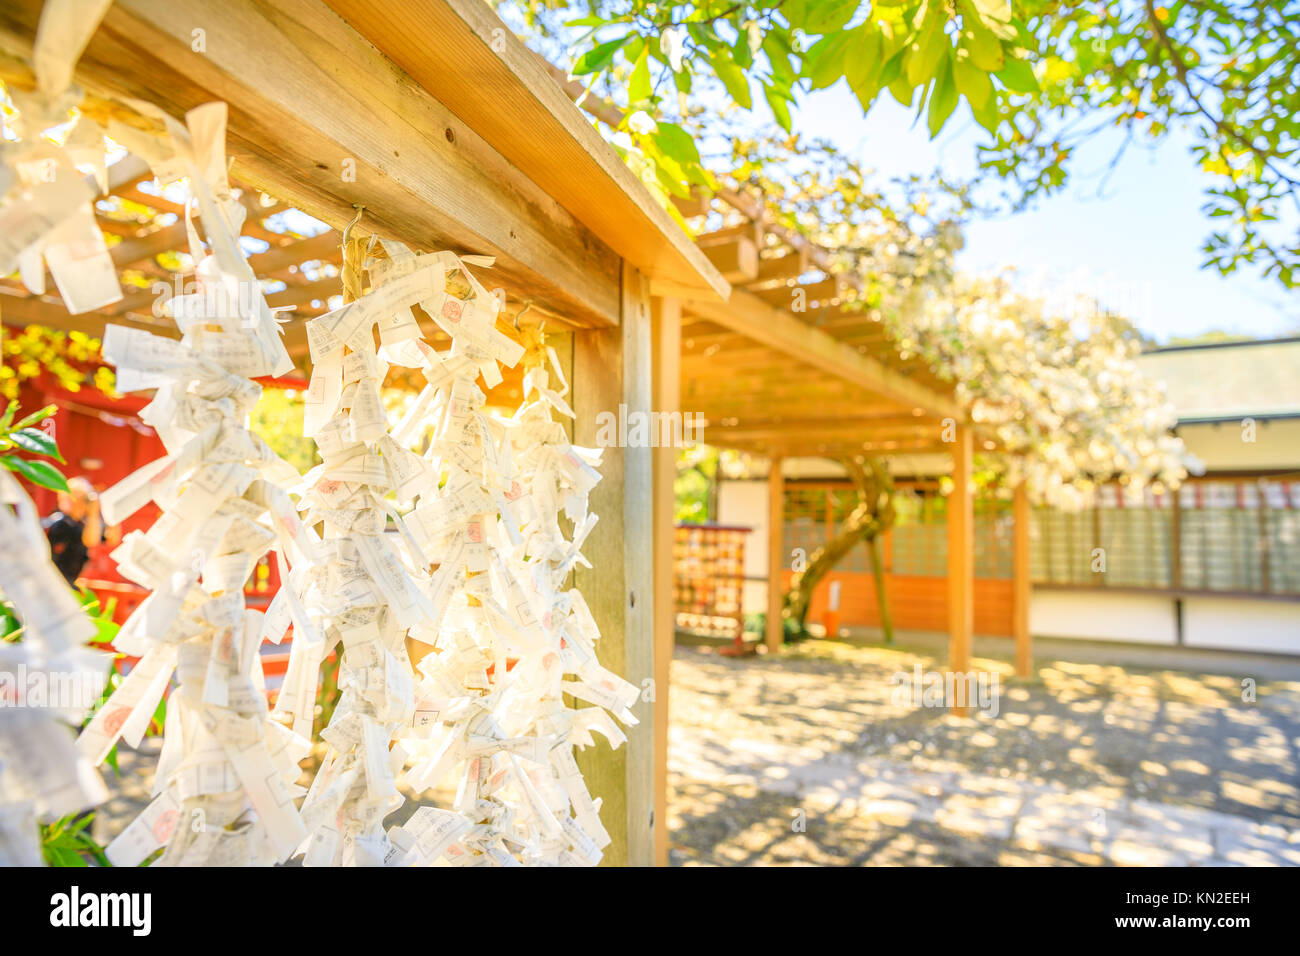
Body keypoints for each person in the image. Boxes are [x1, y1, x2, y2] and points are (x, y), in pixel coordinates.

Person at [41, 477, 117, 587]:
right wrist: (93, 513)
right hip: (54, 583)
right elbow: (90, 541)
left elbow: (112, 539)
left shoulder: (83, 523)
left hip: (67, 583)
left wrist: (112, 512)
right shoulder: (60, 523)